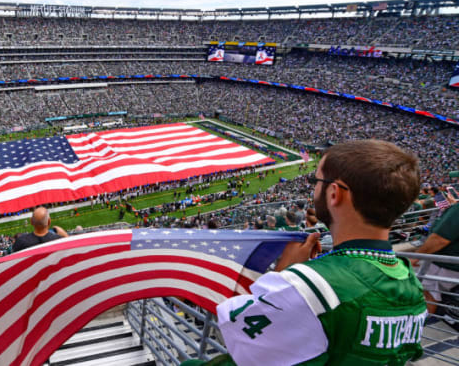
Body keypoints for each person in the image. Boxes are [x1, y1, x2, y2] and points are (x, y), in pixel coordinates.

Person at [182, 139, 426, 365]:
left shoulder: (310, 285)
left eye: (316, 182)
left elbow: (241, 343)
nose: (313, 189)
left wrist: (284, 272)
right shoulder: (411, 284)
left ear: (334, 193)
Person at [412, 193, 459, 314]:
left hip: (446, 264)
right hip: (451, 264)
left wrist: (415, 258)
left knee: (430, 293)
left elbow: (440, 239)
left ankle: (421, 325)